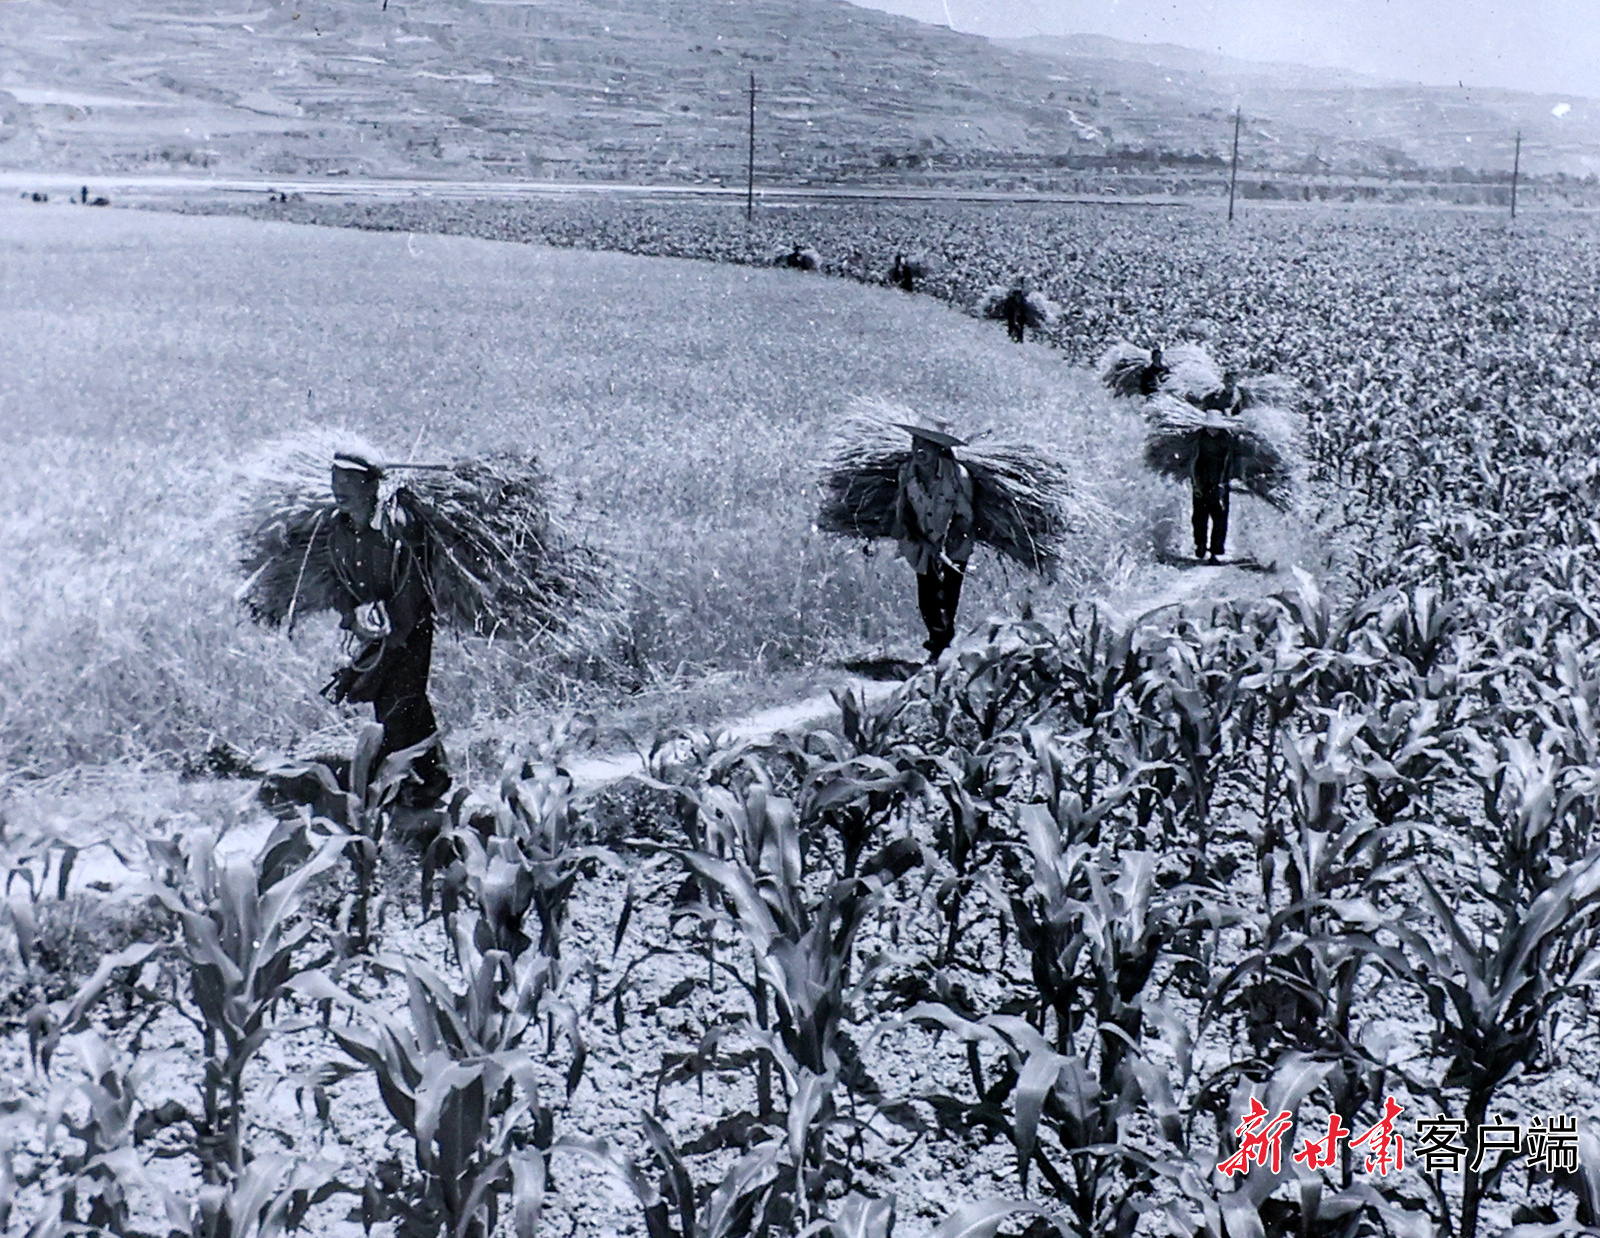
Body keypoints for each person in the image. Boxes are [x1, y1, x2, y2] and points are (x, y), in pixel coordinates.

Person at [322, 453, 450, 807]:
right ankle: (430, 775)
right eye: (335, 481)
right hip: (374, 633)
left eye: (348, 482)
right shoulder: (338, 532)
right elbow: (336, 584)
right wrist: (354, 617)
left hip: (411, 629)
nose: (339, 490)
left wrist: (387, 633)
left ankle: (408, 783)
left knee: (401, 701)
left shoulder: (398, 527)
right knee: (391, 703)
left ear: (371, 486)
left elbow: (412, 588)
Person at [893, 422, 975, 660]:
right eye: (916, 445)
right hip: (921, 541)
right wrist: (924, 542)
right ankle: (940, 642)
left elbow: (965, 518)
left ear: (939, 450)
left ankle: (939, 646)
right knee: (927, 597)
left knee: (947, 596)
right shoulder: (907, 473)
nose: (919, 451)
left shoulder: (958, 476)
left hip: (956, 542)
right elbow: (904, 511)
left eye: (926, 447)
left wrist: (946, 545)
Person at [1192, 423, 1234, 562]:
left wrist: (1224, 483)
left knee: (1219, 520)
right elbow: (1193, 462)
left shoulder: (1227, 440)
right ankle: (1201, 545)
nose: (1212, 430)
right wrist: (1196, 482)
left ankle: (1215, 551)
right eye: (1210, 427)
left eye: (1215, 428)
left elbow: (1230, 463)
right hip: (1202, 485)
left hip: (1219, 485)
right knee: (1199, 518)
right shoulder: (1198, 438)